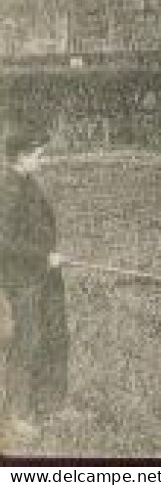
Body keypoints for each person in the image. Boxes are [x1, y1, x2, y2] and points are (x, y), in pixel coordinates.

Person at [0, 124, 68, 434]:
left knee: (55, 337)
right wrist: (42, 257)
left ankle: (50, 406)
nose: (42, 160)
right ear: (21, 157)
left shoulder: (28, 183)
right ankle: (18, 415)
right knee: (27, 342)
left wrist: (49, 259)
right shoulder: (9, 190)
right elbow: (5, 241)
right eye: (38, 155)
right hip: (24, 280)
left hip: (46, 275)